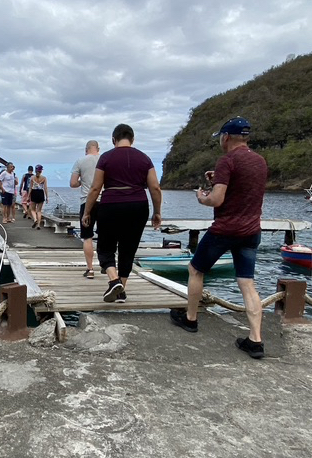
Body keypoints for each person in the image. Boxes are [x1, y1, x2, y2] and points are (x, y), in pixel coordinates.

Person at [170, 116, 268, 359]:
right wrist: (221, 180)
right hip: (251, 230)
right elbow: (243, 188)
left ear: (226, 137)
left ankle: (191, 319)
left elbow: (217, 200)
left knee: (195, 270)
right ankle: (255, 340)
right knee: (247, 283)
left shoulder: (228, 160)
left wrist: (202, 197)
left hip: (225, 230)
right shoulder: (260, 162)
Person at [82, 124, 162, 303]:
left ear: (113, 139)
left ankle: (114, 279)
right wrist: (157, 212)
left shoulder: (106, 157)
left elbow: (95, 187)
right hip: (138, 206)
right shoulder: (144, 158)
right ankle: (121, 291)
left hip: (111, 205)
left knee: (105, 247)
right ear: (132, 140)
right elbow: (155, 187)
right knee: (128, 248)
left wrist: (87, 211)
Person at [70, 139, 100, 278]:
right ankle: (107, 265)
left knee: (87, 237)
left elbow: (73, 183)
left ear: (86, 149)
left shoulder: (80, 161)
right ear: (98, 149)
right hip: (105, 202)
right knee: (106, 236)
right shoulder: (104, 159)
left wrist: (83, 181)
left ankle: (90, 269)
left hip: (87, 201)